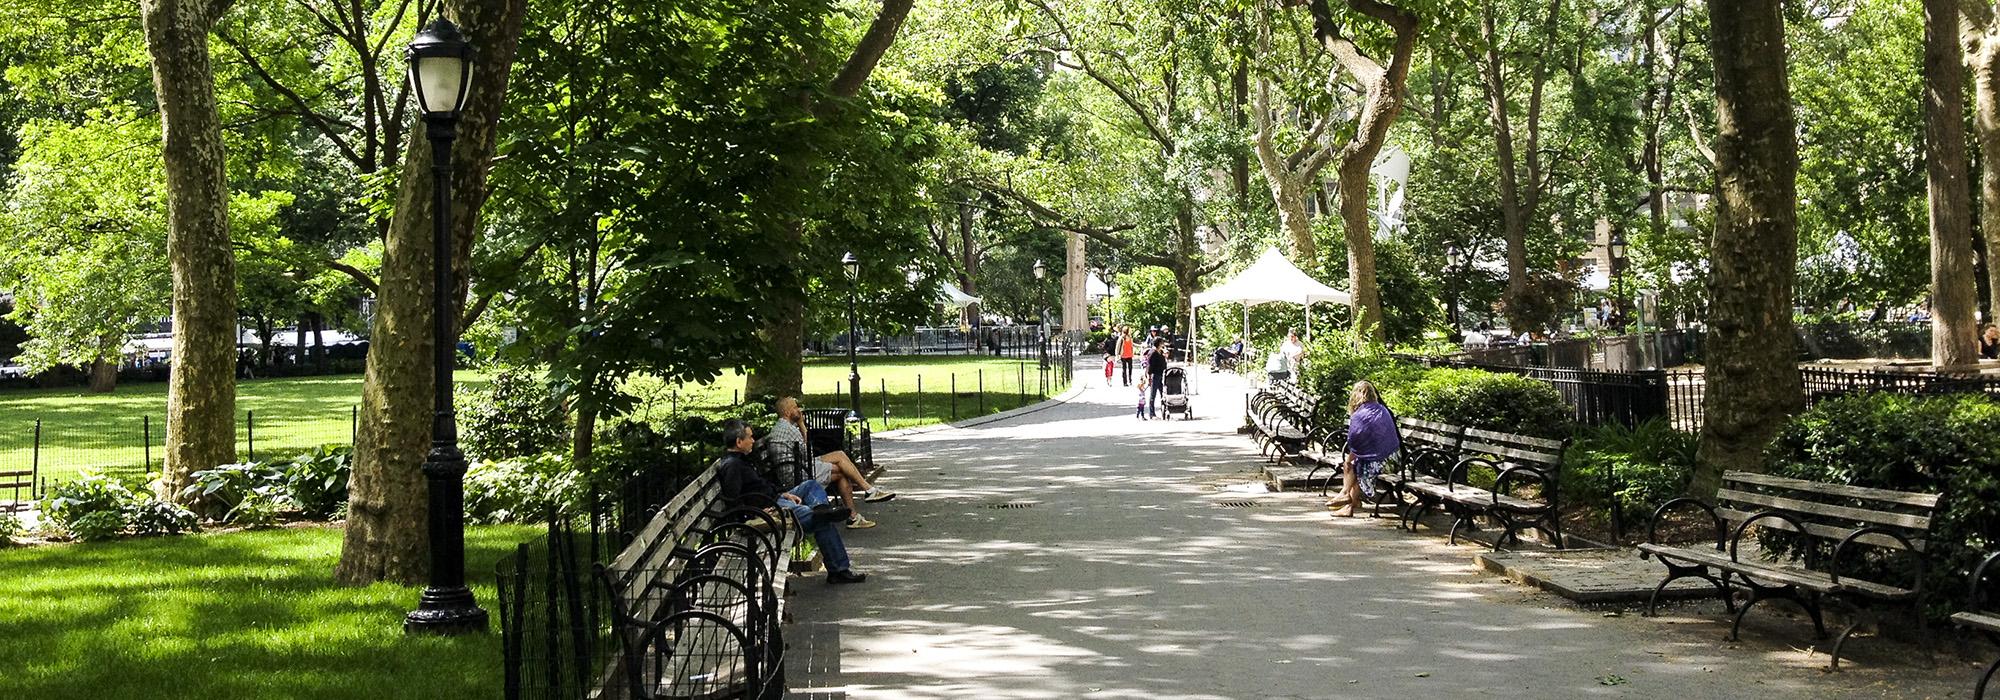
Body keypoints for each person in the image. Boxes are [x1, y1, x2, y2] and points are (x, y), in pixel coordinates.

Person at [717, 420, 866, 584]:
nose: (753, 440)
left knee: (810, 486)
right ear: (739, 442)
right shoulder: (733, 466)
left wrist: (784, 493)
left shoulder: (743, 460)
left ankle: (822, 509)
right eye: (750, 437)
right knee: (820, 520)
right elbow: (733, 500)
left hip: (776, 499)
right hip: (769, 509)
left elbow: (762, 486)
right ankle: (839, 569)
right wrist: (753, 514)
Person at [769, 397, 897, 529]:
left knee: (839, 456)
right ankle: (860, 506)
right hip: (797, 474)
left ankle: (865, 498)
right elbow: (808, 453)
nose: (799, 410)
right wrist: (802, 425)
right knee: (841, 470)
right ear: (787, 412)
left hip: (799, 467)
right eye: (795, 407)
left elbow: (805, 455)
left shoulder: (785, 426)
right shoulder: (788, 430)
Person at [1328, 381, 1401, 518]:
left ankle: (1346, 496)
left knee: (1353, 466)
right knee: (1356, 465)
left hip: (1383, 462)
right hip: (1394, 459)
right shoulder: (1382, 409)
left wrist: (1348, 461)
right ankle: (1349, 504)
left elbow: (1356, 441)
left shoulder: (1360, 415)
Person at [1145, 338, 1169, 418]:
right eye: (1162, 343)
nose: (1163, 344)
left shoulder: (1160, 352)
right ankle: (1152, 413)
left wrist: (1165, 356)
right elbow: (1149, 365)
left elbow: (1163, 363)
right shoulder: (1152, 352)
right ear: (1158, 344)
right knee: (1153, 394)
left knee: (1163, 392)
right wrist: (1148, 375)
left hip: (1160, 374)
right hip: (1154, 375)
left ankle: (1165, 410)